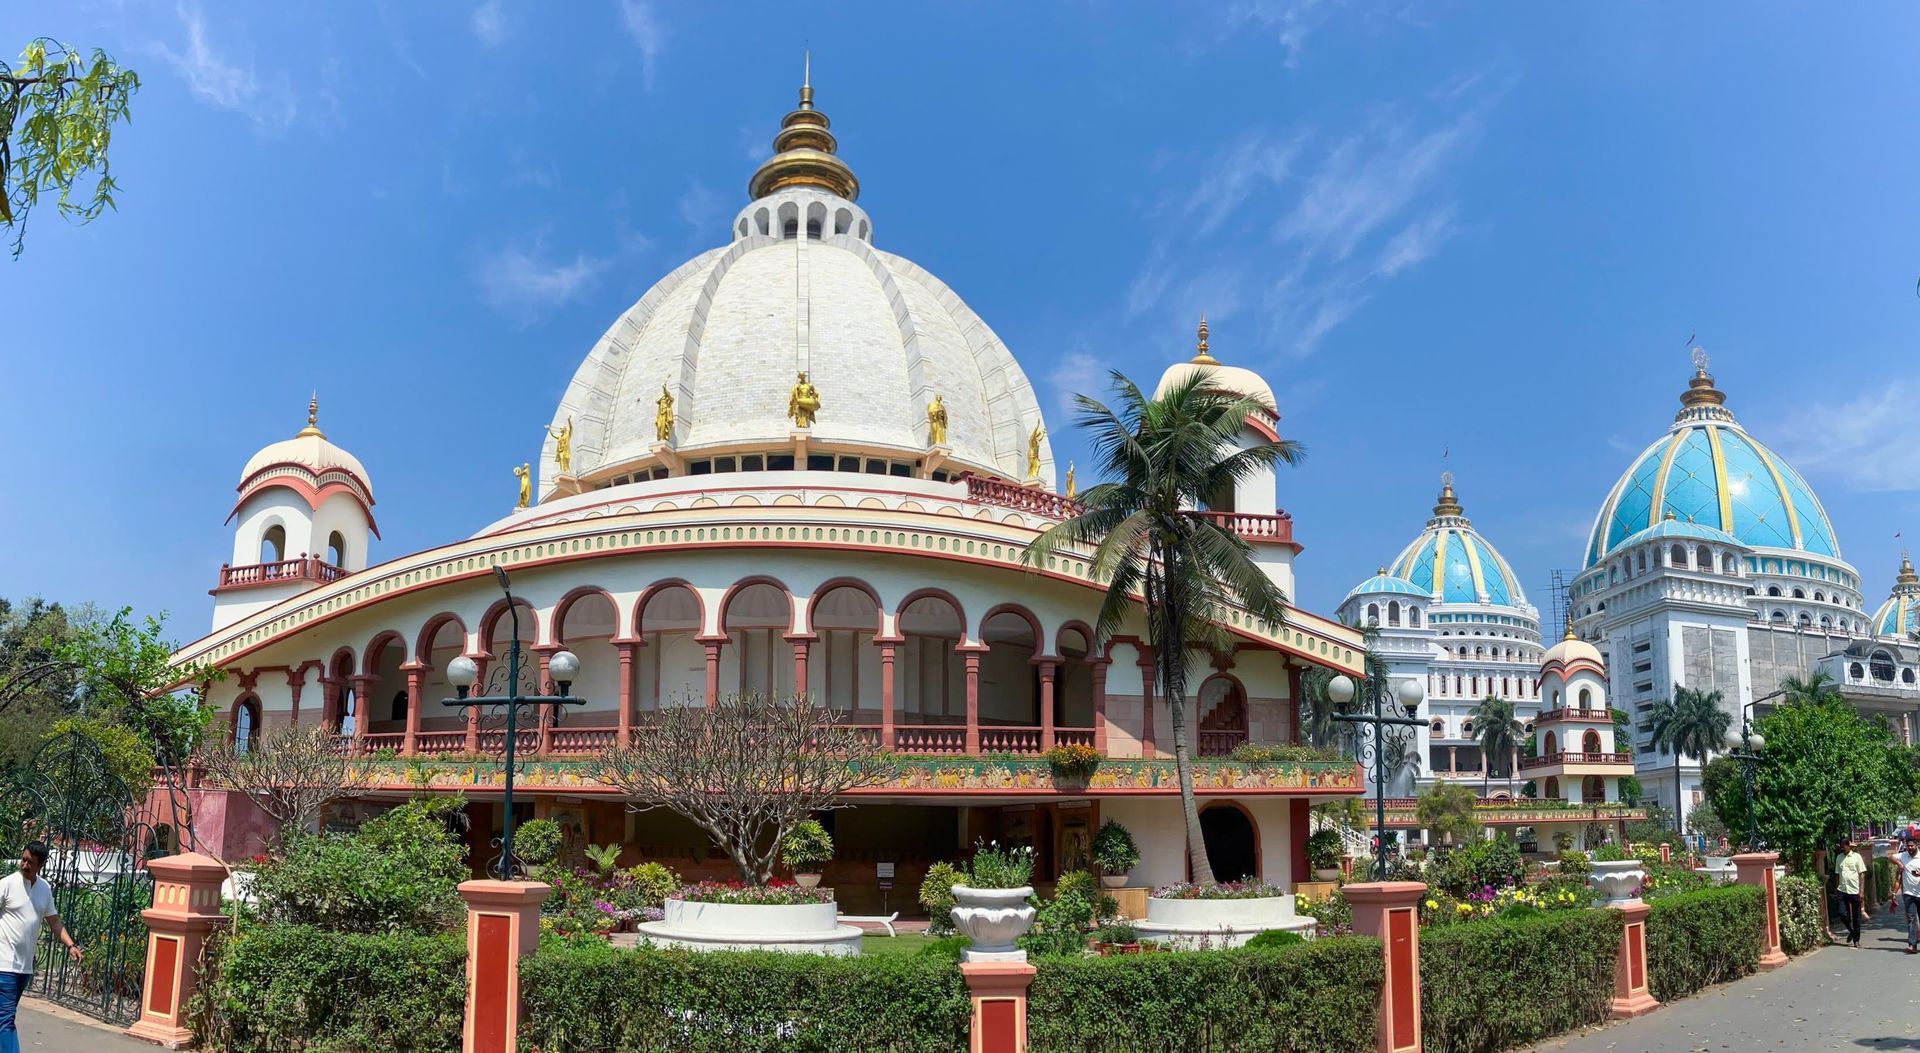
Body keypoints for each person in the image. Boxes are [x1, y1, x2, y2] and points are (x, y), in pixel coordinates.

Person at [1, 842, 82, 1053]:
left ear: (41, 866)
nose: (25, 865)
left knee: (3, 1017)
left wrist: (70, 944)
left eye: (31, 862)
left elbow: (53, 920)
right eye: (24, 859)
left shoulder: (44, 889)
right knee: (6, 1020)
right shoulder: (7, 884)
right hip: (3, 965)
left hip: (24, 968)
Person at [1835, 836, 1866, 947]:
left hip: (1854, 890)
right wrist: (1836, 889)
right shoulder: (1839, 858)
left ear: (1848, 846)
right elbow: (1837, 874)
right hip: (1842, 889)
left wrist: (1861, 891)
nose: (1842, 849)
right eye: (1841, 847)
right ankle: (1852, 932)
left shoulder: (1857, 857)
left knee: (1856, 916)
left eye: (1844, 847)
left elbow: (1862, 874)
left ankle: (1856, 940)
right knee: (1842, 913)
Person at [1893, 832, 1920, 954]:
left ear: (1916, 845)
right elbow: (1890, 857)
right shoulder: (1903, 856)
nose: (1910, 848)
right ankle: (1912, 945)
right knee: (1911, 919)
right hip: (1908, 894)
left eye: (1912, 846)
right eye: (1908, 846)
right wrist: (1899, 864)